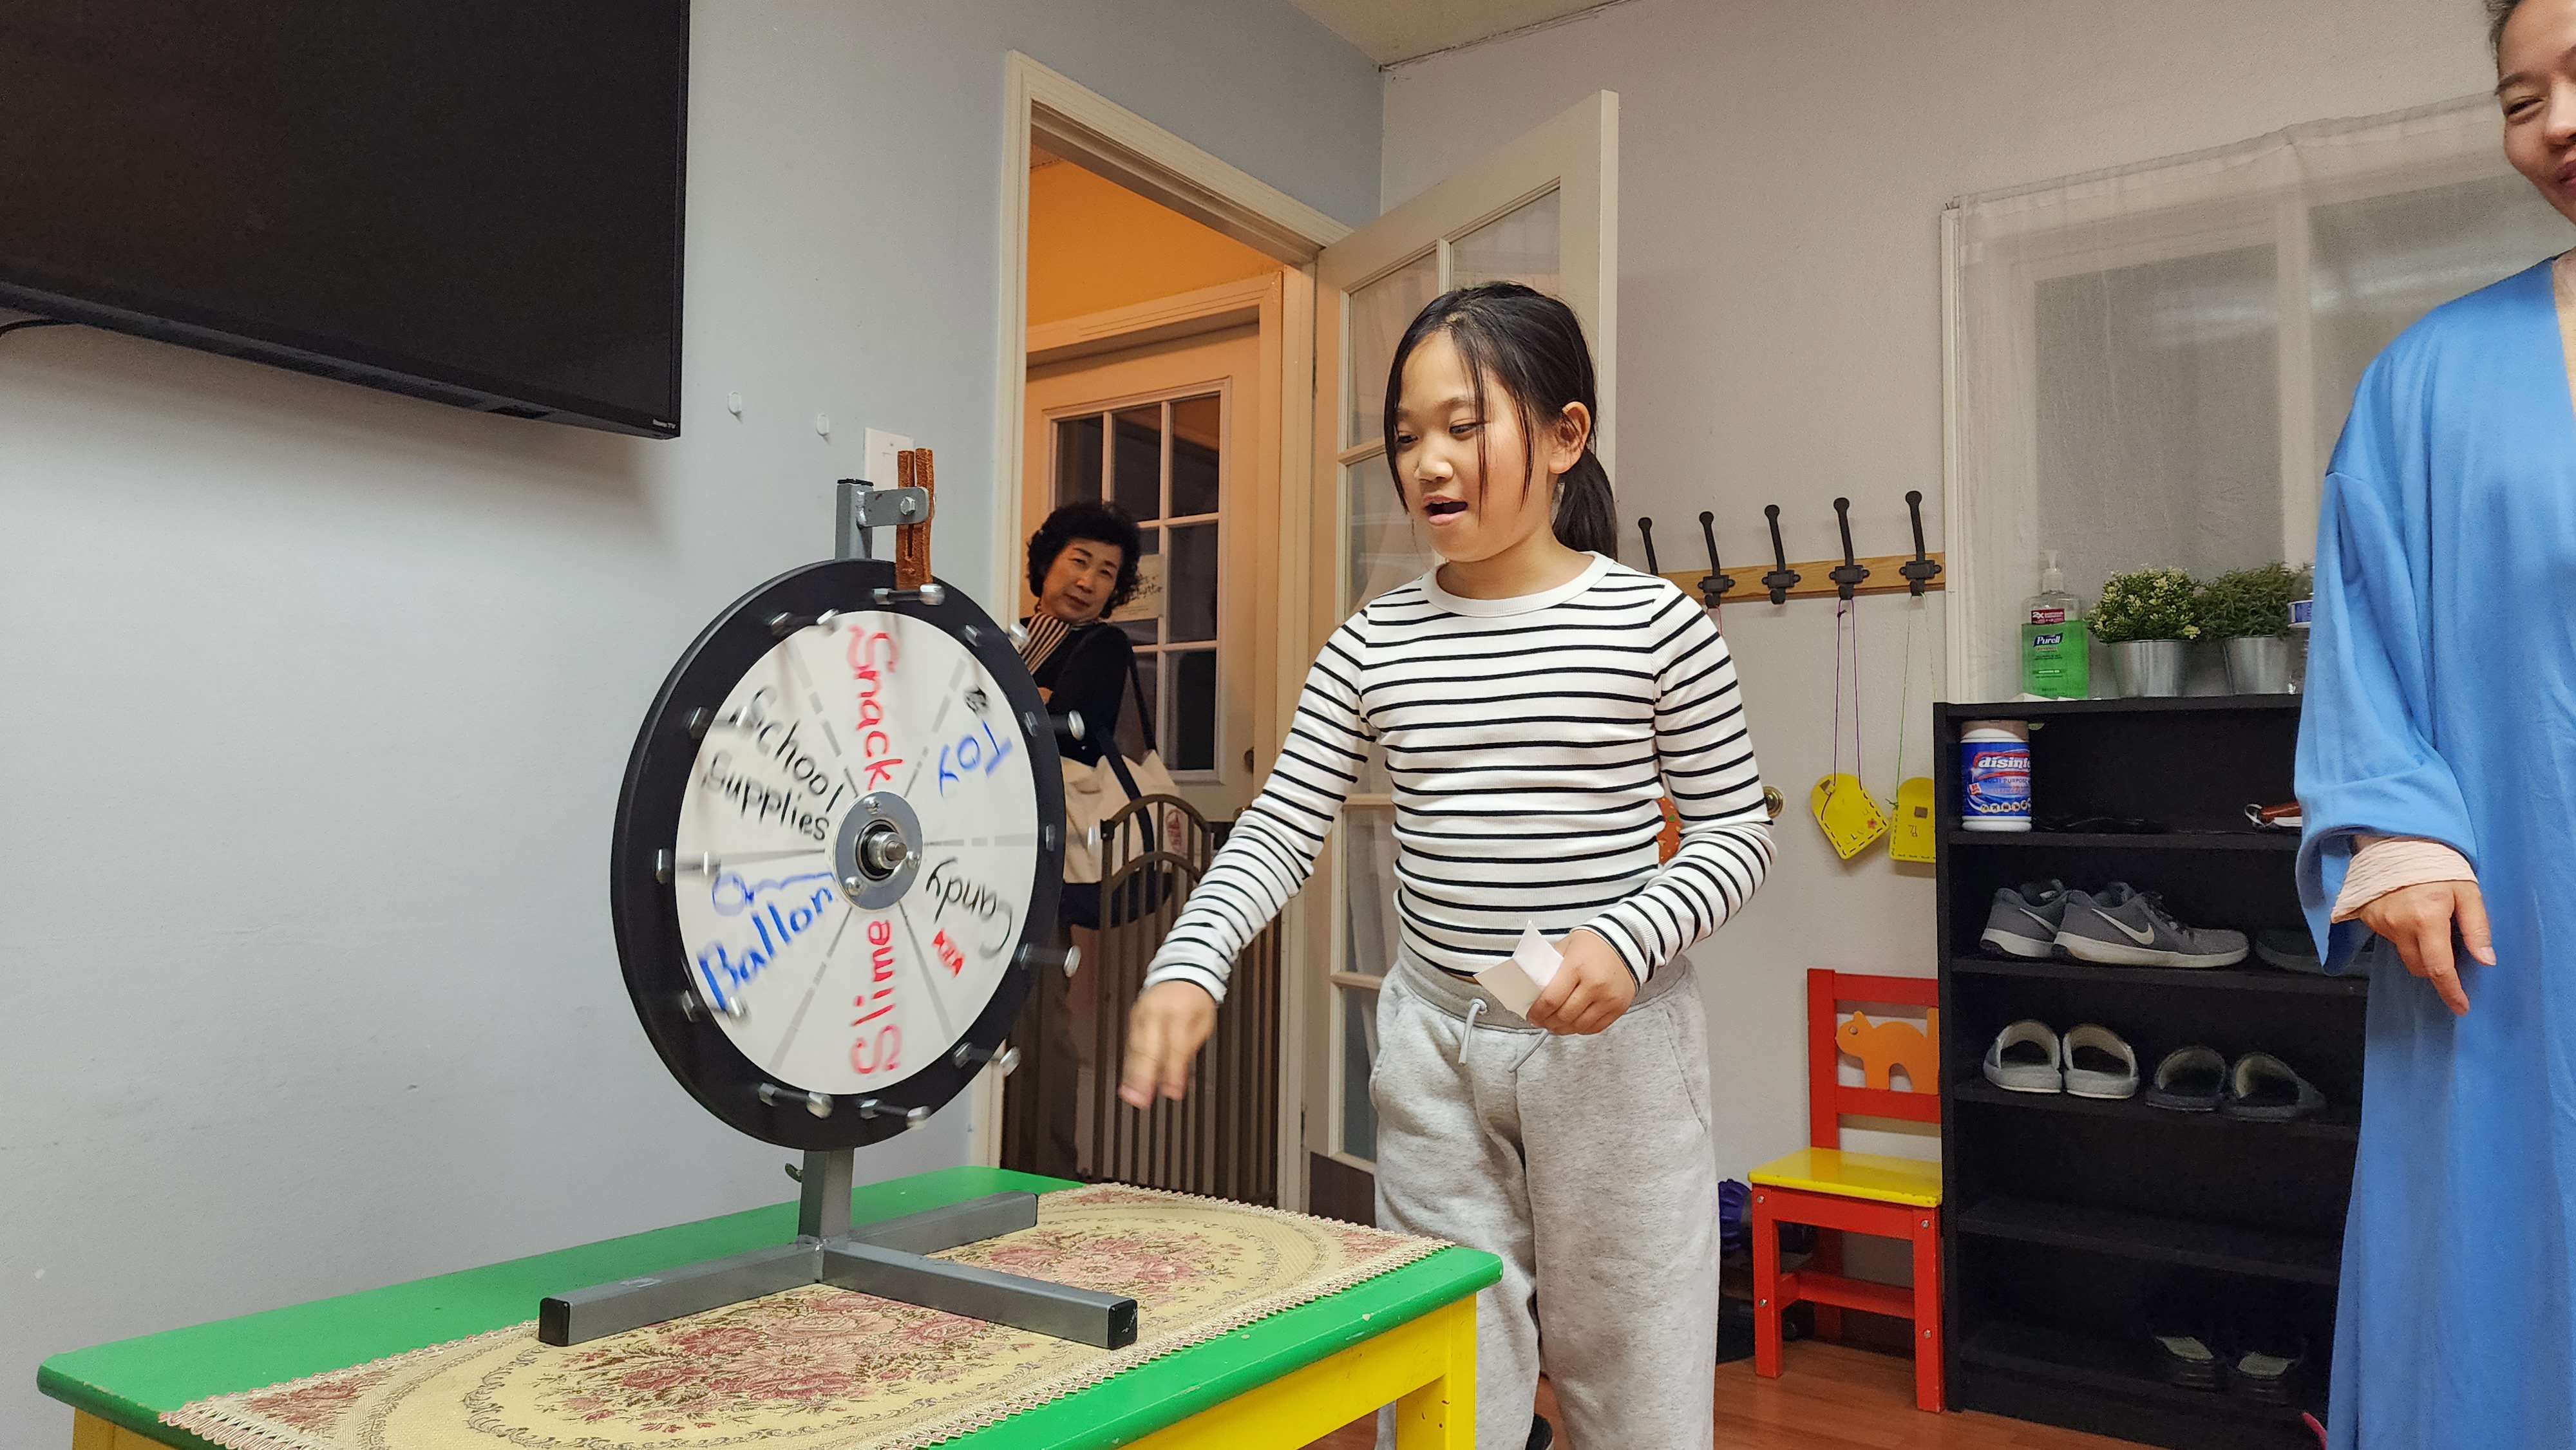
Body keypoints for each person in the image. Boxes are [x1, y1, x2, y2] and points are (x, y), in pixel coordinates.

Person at [1121, 282, 1773, 1450]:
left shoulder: (1658, 626)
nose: (1427, 462)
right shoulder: (1371, 641)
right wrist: (1190, 961)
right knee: (1444, 1382)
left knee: (1636, 1389)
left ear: (1565, 437)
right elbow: (1281, 824)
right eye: (1407, 434)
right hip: (1435, 1045)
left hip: (1618, 1059)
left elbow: (1736, 834)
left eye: (1464, 426)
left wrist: (1629, 941)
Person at [2296, 3, 2576, 1442]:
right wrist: (2394, 827)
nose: (2554, 125)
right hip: (2510, 948)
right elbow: (2360, 628)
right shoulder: (2431, 379)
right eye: (2520, 99)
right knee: (2489, 1308)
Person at [1009, 500, 1142, 1180]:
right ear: (1047, 565)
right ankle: (991, 1160)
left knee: (1038, 1016)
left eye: (1107, 572)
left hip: (1044, 852)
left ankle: (1047, 1178)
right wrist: (1031, 695)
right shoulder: (1008, 636)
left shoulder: (1102, 645)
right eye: (1079, 561)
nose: (1089, 580)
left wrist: (1026, 703)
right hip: (986, 842)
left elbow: (1075, 733)